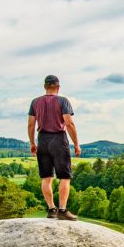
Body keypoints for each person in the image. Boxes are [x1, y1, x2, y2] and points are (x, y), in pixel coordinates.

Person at [28, 75, 81, 220]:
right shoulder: (62, 101)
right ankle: (62, 211)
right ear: (58, 87)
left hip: (42, 140)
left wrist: (33, 143)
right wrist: (76, 144)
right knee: (64, 177)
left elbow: (31, 124)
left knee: (46, 177)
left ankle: (51, 209)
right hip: (58, 139)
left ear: (45, 86)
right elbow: (69, 123)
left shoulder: (35, 102)